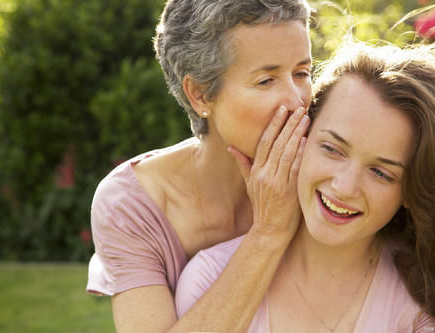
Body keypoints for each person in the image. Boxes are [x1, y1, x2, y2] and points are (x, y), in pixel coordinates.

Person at [175, 42, 435, 331]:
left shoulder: (424, 309)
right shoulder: (209, 279)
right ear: (300, 135)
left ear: (412, 190)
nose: (345, 187)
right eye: (332, 149)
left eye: (381, 173)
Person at [86, 0, 315, 331]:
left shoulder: (329, 170)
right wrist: (269, 232)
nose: (297, 101)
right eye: (266, 80)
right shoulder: (130, 205)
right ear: (200, 95)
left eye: (302, 73)